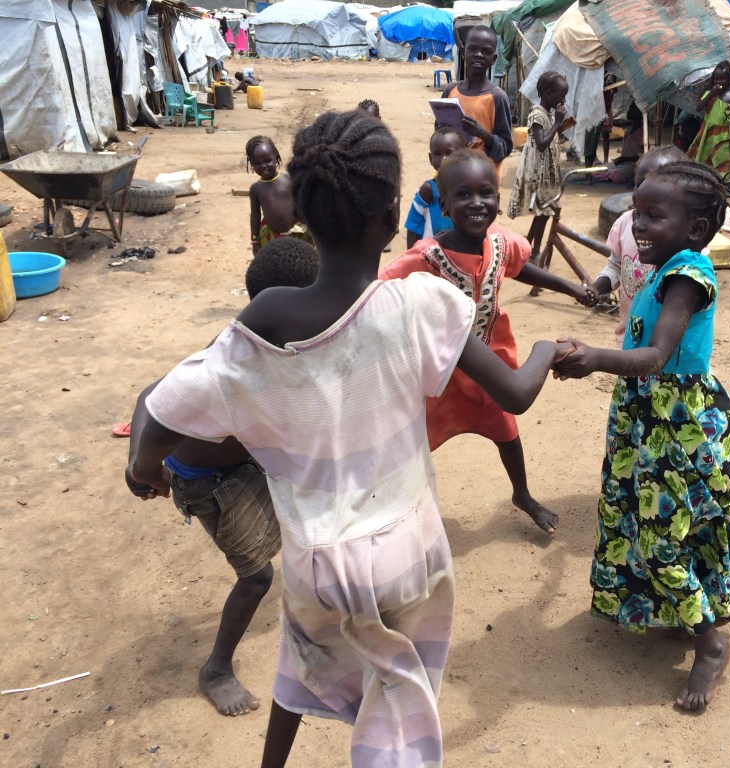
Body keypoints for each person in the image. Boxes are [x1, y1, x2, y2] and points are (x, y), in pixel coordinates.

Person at [129, 110, 572, 768]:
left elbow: (161, 408)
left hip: (318, 565)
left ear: (302, 206)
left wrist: (145, 469)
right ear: (395, 211)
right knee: (397, 699)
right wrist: (541, 348)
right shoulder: (420, 303)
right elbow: (516, 393)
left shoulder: (265, 323)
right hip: (409, 555)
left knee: (303, 654)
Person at [553, 159, 730, 710]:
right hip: (647, 418)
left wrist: (596, 357)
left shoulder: (688, 276)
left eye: (652, 215)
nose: (637, 225)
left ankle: (710, 643)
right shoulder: (661, 267)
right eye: (635, 212)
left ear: (694, 229)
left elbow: (655, 356)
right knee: (647, 516)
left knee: (662, 534)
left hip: (680, 428)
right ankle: (684, 614)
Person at [123, 237, 319, 718]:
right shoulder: (233, 359)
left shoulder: (282, 343)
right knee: (256, 578)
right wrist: (140, 467)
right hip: (209, 482)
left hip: (247, 463)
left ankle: (314, 602)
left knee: (306, 519)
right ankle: (215, 669)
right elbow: (155, 394)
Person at [380, 148, 596, 535]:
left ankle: (522, 495)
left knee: (506, 430)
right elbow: (381, 288)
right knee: (415, 442)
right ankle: (396, 508)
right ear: (443, 202)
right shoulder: (426, 256)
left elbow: (519, 268)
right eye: (463, 195)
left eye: (487, 193)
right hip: (438, 370)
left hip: (489, 359)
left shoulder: (499, 241)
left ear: (498, 197)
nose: (477, 203)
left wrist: (568, 287)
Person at [589, 145, 685, 346]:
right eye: (638, 184)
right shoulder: (625, 223)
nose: (644, 192)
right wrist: (598, 287)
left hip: (667, 347)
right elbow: (616, 266)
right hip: (629, 339)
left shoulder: (683, 236)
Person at [508, 71, 569, 259]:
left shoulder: (548, 114)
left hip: (547, 172)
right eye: (561, 96)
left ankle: (528, 244)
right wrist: (558, 123)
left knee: (543, 211)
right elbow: (542, 144)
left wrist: (560, 125)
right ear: (549, 95)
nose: (563, 100)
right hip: (538, 173)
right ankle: (535, 252)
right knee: (543, 211)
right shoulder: (537, 114)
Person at [441, 26, 513, 178]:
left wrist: (481, 133)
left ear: (493, 59)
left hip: (483, 182)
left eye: (486, 51)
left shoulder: (497, 98)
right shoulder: (450, 91)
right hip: (452, 178)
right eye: (472, 48)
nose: (478, 55)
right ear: (463, 52)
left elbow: (505, 147)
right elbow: (440, 133)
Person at [246, 135, 311, 255]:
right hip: (272, 237)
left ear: (276, 157)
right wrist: (255, 240)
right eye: (257, 163)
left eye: (268, 160)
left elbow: (301, 201)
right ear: (251, 164)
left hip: (297, 232)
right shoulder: (256, 189)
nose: (263, 165)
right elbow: (255, 216)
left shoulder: (288, 178)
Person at [405, 126, 464, 248]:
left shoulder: (467, 189)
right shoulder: (428, 189)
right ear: (430, 159)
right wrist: (410, 259)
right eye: (437, 154)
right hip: (431, 256)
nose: (443, 159)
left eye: (449, 153)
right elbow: (413, 226)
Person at [687, 61, 730, 179]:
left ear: (729, 80)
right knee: (701, 157)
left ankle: (720, 182)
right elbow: (698, 107)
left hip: (722, 136)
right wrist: (711, 94)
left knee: (720, 159)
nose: (719, 82)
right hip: (705, 132)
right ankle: (702, 179)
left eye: (723, 79)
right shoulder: (708, 94)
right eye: (716, 79)